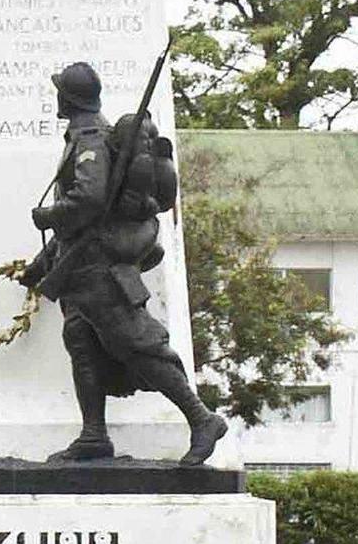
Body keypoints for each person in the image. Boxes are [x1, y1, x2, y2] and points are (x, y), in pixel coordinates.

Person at [20, 60, 228, 465]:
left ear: (68, 98)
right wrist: (42, 263)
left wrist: (47, 216)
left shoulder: (91, 139)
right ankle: (94, 435)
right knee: (82, 344)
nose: (57, 97)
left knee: (136, 343)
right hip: (81, 268)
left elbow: (90, 201)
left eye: (60, 91)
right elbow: (87, 224)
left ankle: (202, 418)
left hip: (102, 272)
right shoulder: (85, 136)